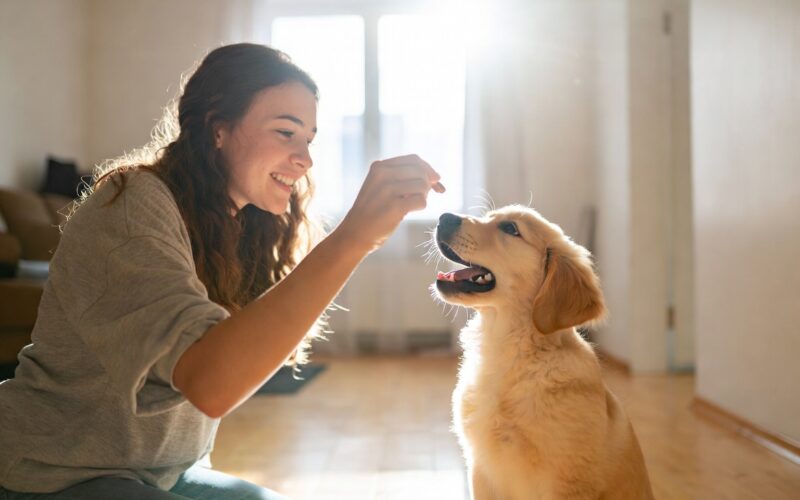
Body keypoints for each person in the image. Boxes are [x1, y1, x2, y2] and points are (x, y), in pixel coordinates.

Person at [0, 43, 443, 499]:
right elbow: (211, 384)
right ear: (218, 127)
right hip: (49, 473)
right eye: (285, 132)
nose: (305, 159)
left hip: (164, 471)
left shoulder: (239, 224)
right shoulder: (132, 204)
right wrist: (353, 239)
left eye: (308, 140)